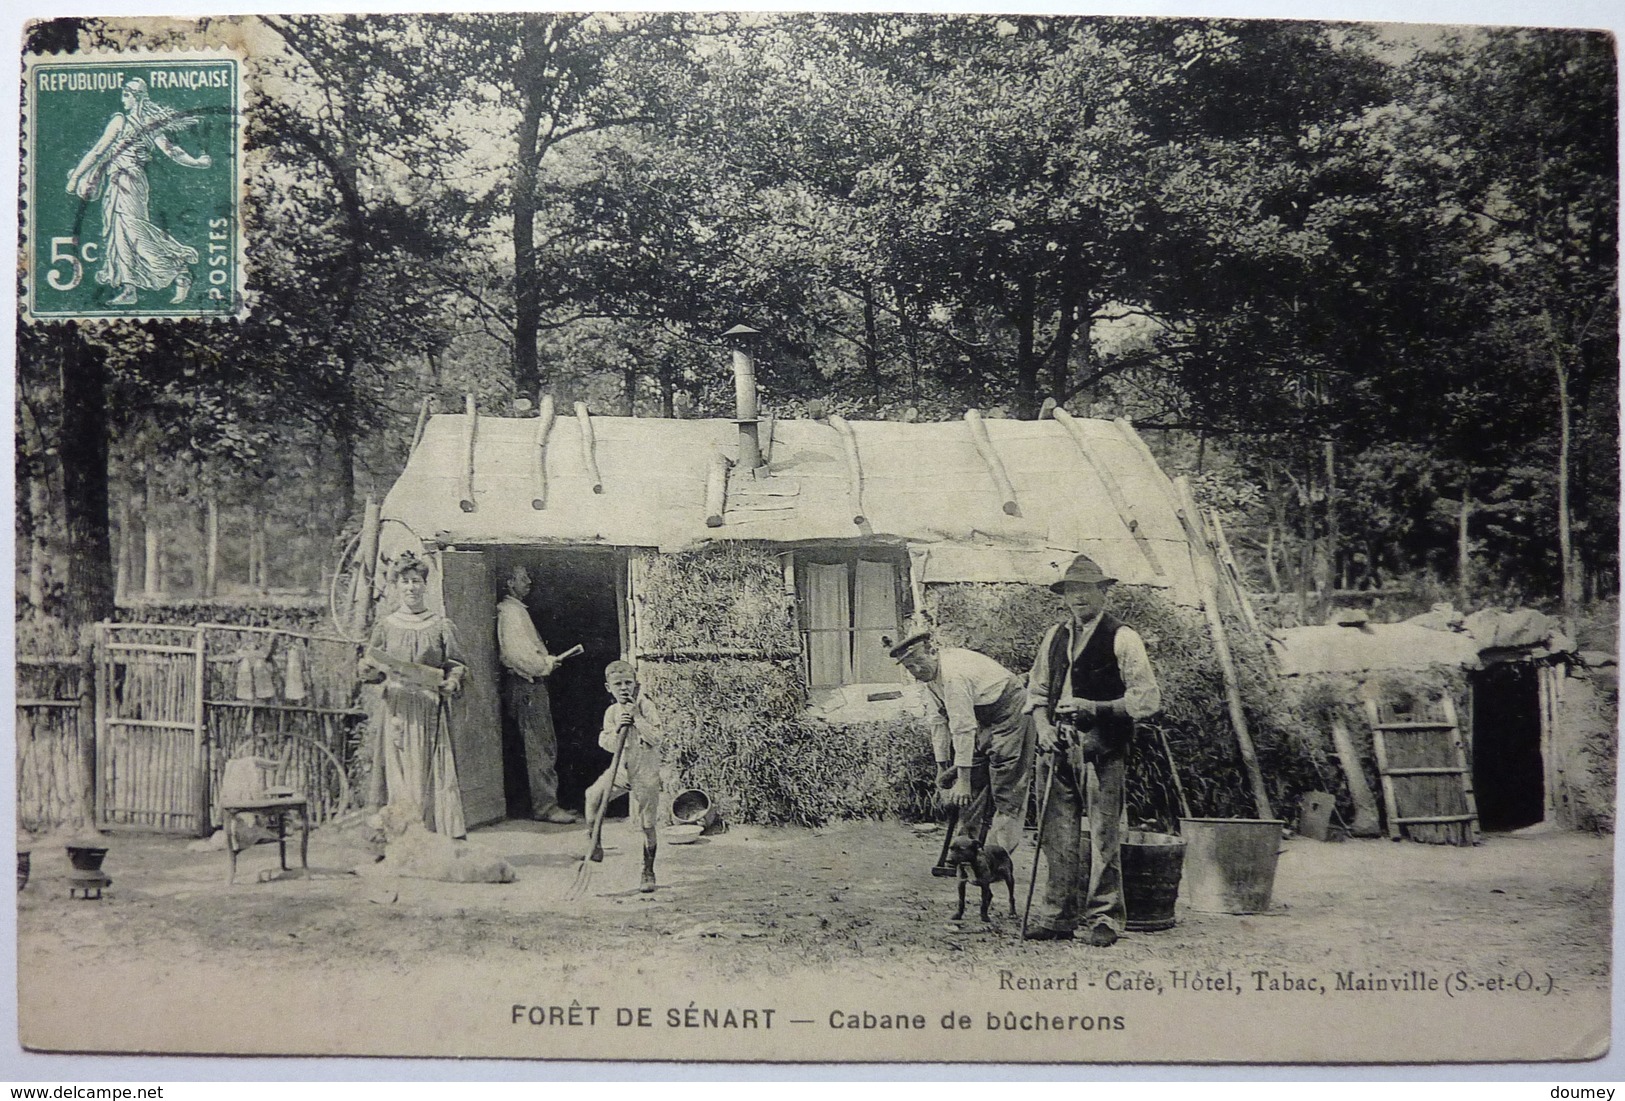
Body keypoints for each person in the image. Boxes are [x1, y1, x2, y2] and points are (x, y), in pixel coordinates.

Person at [1023, 554, 1162, 946]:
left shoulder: (1123, 637)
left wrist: (1096, 709)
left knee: (1103, 835)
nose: (1078, 597)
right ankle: (1058, 916)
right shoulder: (1054, 635)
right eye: (1071, 590)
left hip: (1102, 748)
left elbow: (1147, 700)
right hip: (1055, 747)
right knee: (1056, 835)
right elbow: (1035, 690)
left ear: (1103, 592)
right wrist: (1043, 726)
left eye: (1086, 589)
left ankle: (1104, 918)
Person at [65, 78, 210, 307]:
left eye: (126, 94)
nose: (123, 98)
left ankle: (179, 270)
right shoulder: (144, 123)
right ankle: (129, 288)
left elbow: (97, 152)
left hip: (129, 183)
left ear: (135, 97)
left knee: (134, 231)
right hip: (118, 182)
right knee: (119, 234)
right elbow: (171, 151)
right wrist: (197, 162)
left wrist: (75, 178)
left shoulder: (122, 121)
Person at [889, 632, 1034, 859]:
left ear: (933, 653)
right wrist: (942, 769)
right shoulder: (930, 681)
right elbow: (938, 723)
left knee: (1006, 782)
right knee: (972, 781)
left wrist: (962, 780)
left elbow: (963, 728)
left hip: (1011, 710)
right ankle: (966, 849)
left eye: (919, 662)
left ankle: (996, 857)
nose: (916, 670)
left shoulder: (953, 676)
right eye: (910, 667)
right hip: (984, 715)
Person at [358, 551, 467, 839]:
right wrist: (369, 670)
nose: (411, 587)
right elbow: (375, 668)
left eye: (416, 581)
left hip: (429, 707)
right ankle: (399, 836)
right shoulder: (386, 626)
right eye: (405, 581)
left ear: (425, 585)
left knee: (428, 772)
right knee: (398, 773)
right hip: (396, 708)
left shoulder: (440, 625)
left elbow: (456, 665)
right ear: (396, 586)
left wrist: (451, 682)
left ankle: (431, 834)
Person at [496, 566, 579, 824]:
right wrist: (545, 665)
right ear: (510, 583)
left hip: (530, 684)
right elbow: (518, 654)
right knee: (539, 746)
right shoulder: (511, 614)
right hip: (527, 685)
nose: (529, 582)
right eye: (522, 578)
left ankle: (547, 802)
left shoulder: (517, 611)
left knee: (542, 744)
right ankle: (546, 807)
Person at [583, 660, 664, 893]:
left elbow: (657, 737)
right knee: (593, 796)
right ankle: (595, 842)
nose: (624, 688)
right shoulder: (612, 712)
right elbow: (606, 742)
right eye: (618, 684)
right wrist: (620, 727)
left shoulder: (645, 706)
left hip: (645, 770)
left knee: (647, 824)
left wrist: (637, 718)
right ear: (609, 688)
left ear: (636, 684)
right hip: (620, 769)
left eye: (628, 683)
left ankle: (648, 870)